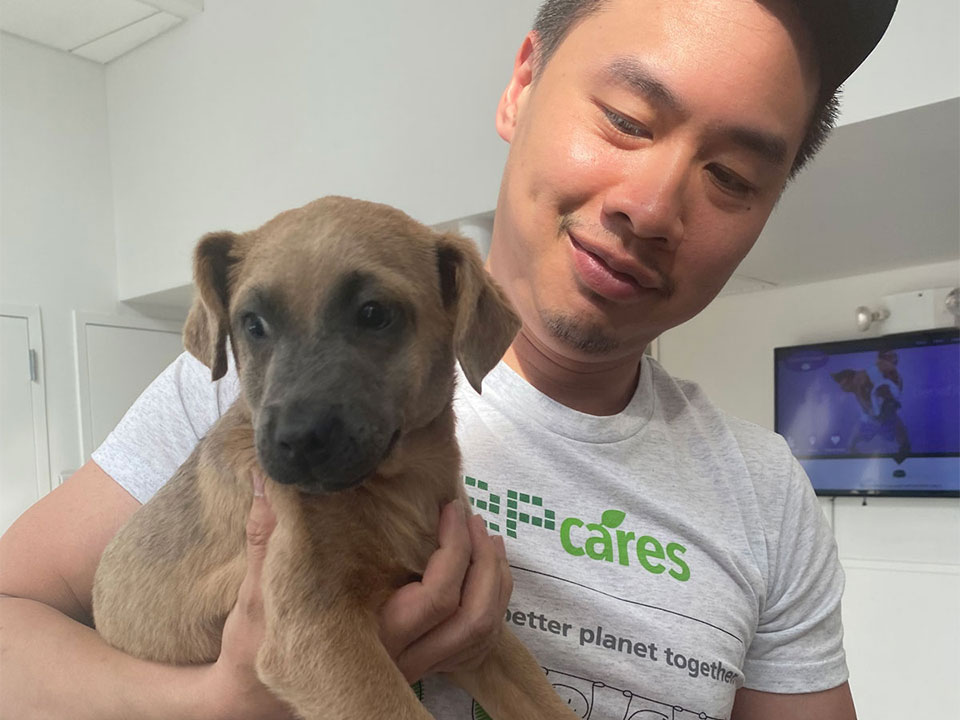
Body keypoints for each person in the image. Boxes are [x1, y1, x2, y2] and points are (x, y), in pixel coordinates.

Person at [0, 0, 898, 717]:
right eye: (627, 118)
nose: (652, 206)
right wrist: (209, 705)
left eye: (733, 177)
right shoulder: (231, 407)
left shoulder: (767, 496)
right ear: (522, 86)